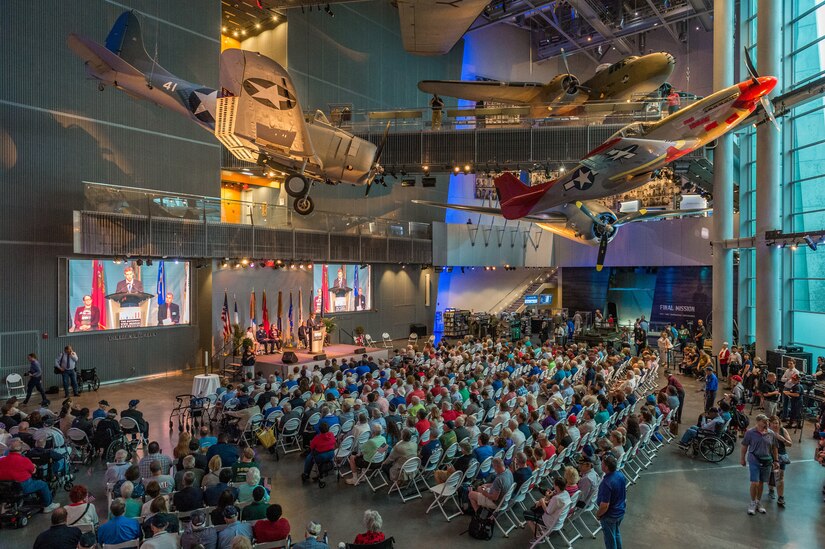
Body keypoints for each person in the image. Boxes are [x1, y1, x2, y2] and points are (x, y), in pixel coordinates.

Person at [0, 439, 59, 511]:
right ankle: (48, 505)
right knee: (42, 484)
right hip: (22, 487)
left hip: (4, 488)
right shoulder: (24, 460)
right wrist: (33, 465)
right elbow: (33, 471)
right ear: (21, 449)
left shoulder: (1, 460)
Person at [740, 414, 779, 515]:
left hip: (767, 461)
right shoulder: (750, 433)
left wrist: (776, 460)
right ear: (758, 422)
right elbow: (744, 446)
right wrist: (742, 459)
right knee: (755, 482)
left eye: (767, 421)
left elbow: (774, 448)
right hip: (754, 460)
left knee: (761, 483)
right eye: (764, 421)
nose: (766, 423)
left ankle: (758, 502)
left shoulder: (771, 434)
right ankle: (752, 502)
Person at [595, 455, 626, 549]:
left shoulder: (607, 483)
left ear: (606, 467)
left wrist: (599, 514)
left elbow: (605, 505)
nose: (601, 464)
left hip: (610, 515)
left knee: (610, 541)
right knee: (616, 534)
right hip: (620, 511)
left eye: (602, 463)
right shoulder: (620, 475)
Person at [767, 416, 792, 508]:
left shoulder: (783, 430)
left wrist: (781, 438)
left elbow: (790, 443)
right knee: (770, 474)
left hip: (781, 456)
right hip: (769, 456)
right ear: (769, 423)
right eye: (773, 423)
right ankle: (771, 490)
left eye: (777, 423)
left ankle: (781, 497)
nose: (775, 425)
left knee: (780, 477)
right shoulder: (767, 431)